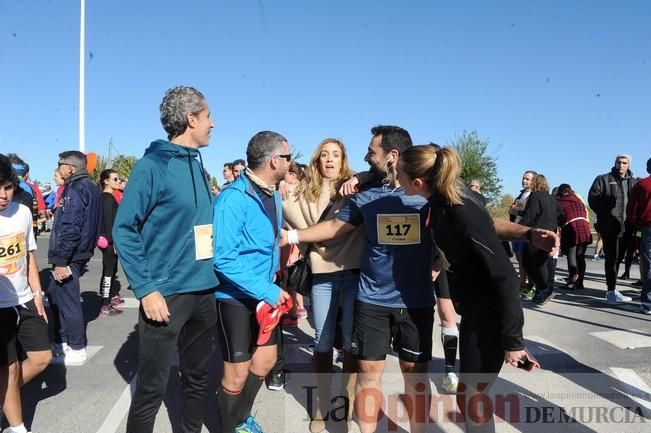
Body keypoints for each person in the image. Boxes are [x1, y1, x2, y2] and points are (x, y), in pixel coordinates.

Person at [286, 126, 435, 433]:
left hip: (416, 301)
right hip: (372, 300)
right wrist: (292, 235)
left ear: (392, 156)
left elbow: (469, 226)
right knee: (367, 370)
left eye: (372, 151)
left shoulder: (428, 194)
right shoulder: (366, 195)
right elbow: (333, 229)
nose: (367, 155)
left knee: (414, 374)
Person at [395, 145, 537, 433]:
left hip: (490, 313)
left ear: (418, 181)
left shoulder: (459, 210)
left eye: (399, 173)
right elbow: (485, 229)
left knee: (473, 397)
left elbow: (505, 276)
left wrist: (513, 340)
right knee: (468, 395)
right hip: (474, 308)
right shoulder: (439, 203)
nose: (396, 177)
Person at [112, 86, 219, 433]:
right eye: (207, 117)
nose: (212, 124)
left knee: (198, 380)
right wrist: (146, 289)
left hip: (204, 291)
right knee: (151, 391)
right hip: (166, 295)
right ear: (191, 119)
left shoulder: (200, 168)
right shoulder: (152, 167)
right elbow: (124, 229)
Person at [282, 138, 364, 432]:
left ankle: (347, 403)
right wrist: (282, 183)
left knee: (351, 341)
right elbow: (284, 202)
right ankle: (320, 406)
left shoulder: (356, 188)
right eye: (325, 155)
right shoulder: (305, 192)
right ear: (317, 161)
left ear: (344, 160)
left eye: (336, 155)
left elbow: (379, 176)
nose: (330, 160)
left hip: (353, 273)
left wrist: (360, 177)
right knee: (322, 340)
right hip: (322, 276)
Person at [213, 131, 292, 433]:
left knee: (265, 361)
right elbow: (223, 259)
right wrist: (268, 290)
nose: (290, 162)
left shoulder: (273, 194)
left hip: (264, 296)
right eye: (287, 157)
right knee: (236, 373)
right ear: (274, 161)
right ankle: (229, 426)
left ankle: (240, 418)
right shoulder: (233, 199)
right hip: (234, 298)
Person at [0, 155, 52, 433]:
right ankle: (18, 427)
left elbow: (29, 256)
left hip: (25, 299)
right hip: (0, 307)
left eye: (7, 187)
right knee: (7, 369)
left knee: (41, 358)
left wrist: (38, 293)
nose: (3, 195)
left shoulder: (21, 213)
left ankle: (5, 397)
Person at [48, 150, 102, 365]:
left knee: (67, 301)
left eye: (60, 164)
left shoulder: (76, 188)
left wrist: (61, 260)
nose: (58, 168)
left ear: (69, 168)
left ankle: (76, 346)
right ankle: (62, 342)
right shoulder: (90, 187)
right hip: (78, 252)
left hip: (70, 255)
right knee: (56, 295)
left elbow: (71, 226)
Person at [588, 154, 638, 304]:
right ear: (615, 163)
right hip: (609, 227)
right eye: (619, 162)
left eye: (624, 163)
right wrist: (606, 214)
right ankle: (610, 291)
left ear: (629, 165)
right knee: (611, 259)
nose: (621, 165)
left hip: (628, 227)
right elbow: (593, 198)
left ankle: (614, 288)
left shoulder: (634, 182)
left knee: (619, 259)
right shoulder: (603, 179)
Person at [518, 174, 563, 305]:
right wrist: (554, 224)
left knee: (527, 262)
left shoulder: (535, 197)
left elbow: (530, 216)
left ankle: (543, 288)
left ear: (535, 183)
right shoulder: (552, 199)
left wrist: (517, 228)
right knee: (542, 263)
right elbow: (561, 213)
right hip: (550, 234)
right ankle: (542, 291)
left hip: (537, 233)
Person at [97, 169, 124, 317]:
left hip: (108, 240)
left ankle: (108, 300)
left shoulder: (107, 197)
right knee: (108, 271)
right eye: (115, 179)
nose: (118, 182)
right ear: (106, 181)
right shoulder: (107, 198)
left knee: (111, 270)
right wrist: (112, 243)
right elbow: (108, 222)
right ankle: (105, 305)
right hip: (108, 242)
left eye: (119, 179)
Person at [556, 184, 593, 290]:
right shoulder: (577, 199)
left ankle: (572, 282)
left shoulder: (560, 202)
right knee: (580, 256)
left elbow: (559, 218)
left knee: (571, 256)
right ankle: (580, 282)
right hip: (584, 227)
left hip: (571, 228)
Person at [627, 157, 651, 314]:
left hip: (647, 226)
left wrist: (635, 223)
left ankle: (647, 302)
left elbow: (632, 209)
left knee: (648, 263)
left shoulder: (641, 185)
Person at [509, 170, 537, 292]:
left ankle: (531, 285)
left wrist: (515, 210)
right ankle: (522, 284)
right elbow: (517, 212)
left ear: (533, 181)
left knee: (527, 260)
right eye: (523, 178)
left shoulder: (534, 195)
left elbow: (526, 213)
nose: (524, 180)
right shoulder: (521, 195)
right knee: (519, 259)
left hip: (525, 231)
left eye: (527, 179)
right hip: (516, 229)